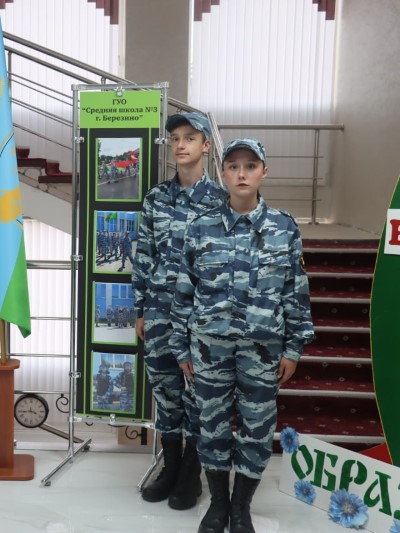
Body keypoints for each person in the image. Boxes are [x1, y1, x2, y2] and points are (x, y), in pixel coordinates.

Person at [170, 139, 314, 533]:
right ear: (223, 174)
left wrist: (294, 347)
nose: (241, 174)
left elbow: (295, 291)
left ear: (264, 171)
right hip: (209, 348)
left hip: (263, 350)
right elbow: (184, 290)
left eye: (250, 165)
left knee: (257, 429)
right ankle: (218, 505)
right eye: (233, 166)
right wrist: (181, 346)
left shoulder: (284, 227)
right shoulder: (200, 227)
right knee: (211, 426)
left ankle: (240, 507)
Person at [131, 111, 227, 510]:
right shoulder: (156, 198)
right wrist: (141, 308)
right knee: (166, 392)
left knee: (200, 396)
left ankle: (191, 475)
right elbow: (143, 254)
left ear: (206, 145)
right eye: (175, 139)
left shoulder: (222, 201)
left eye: (189, 137)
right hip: (159, 311)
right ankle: (170, 468)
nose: (180, 144)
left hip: (201, 318)